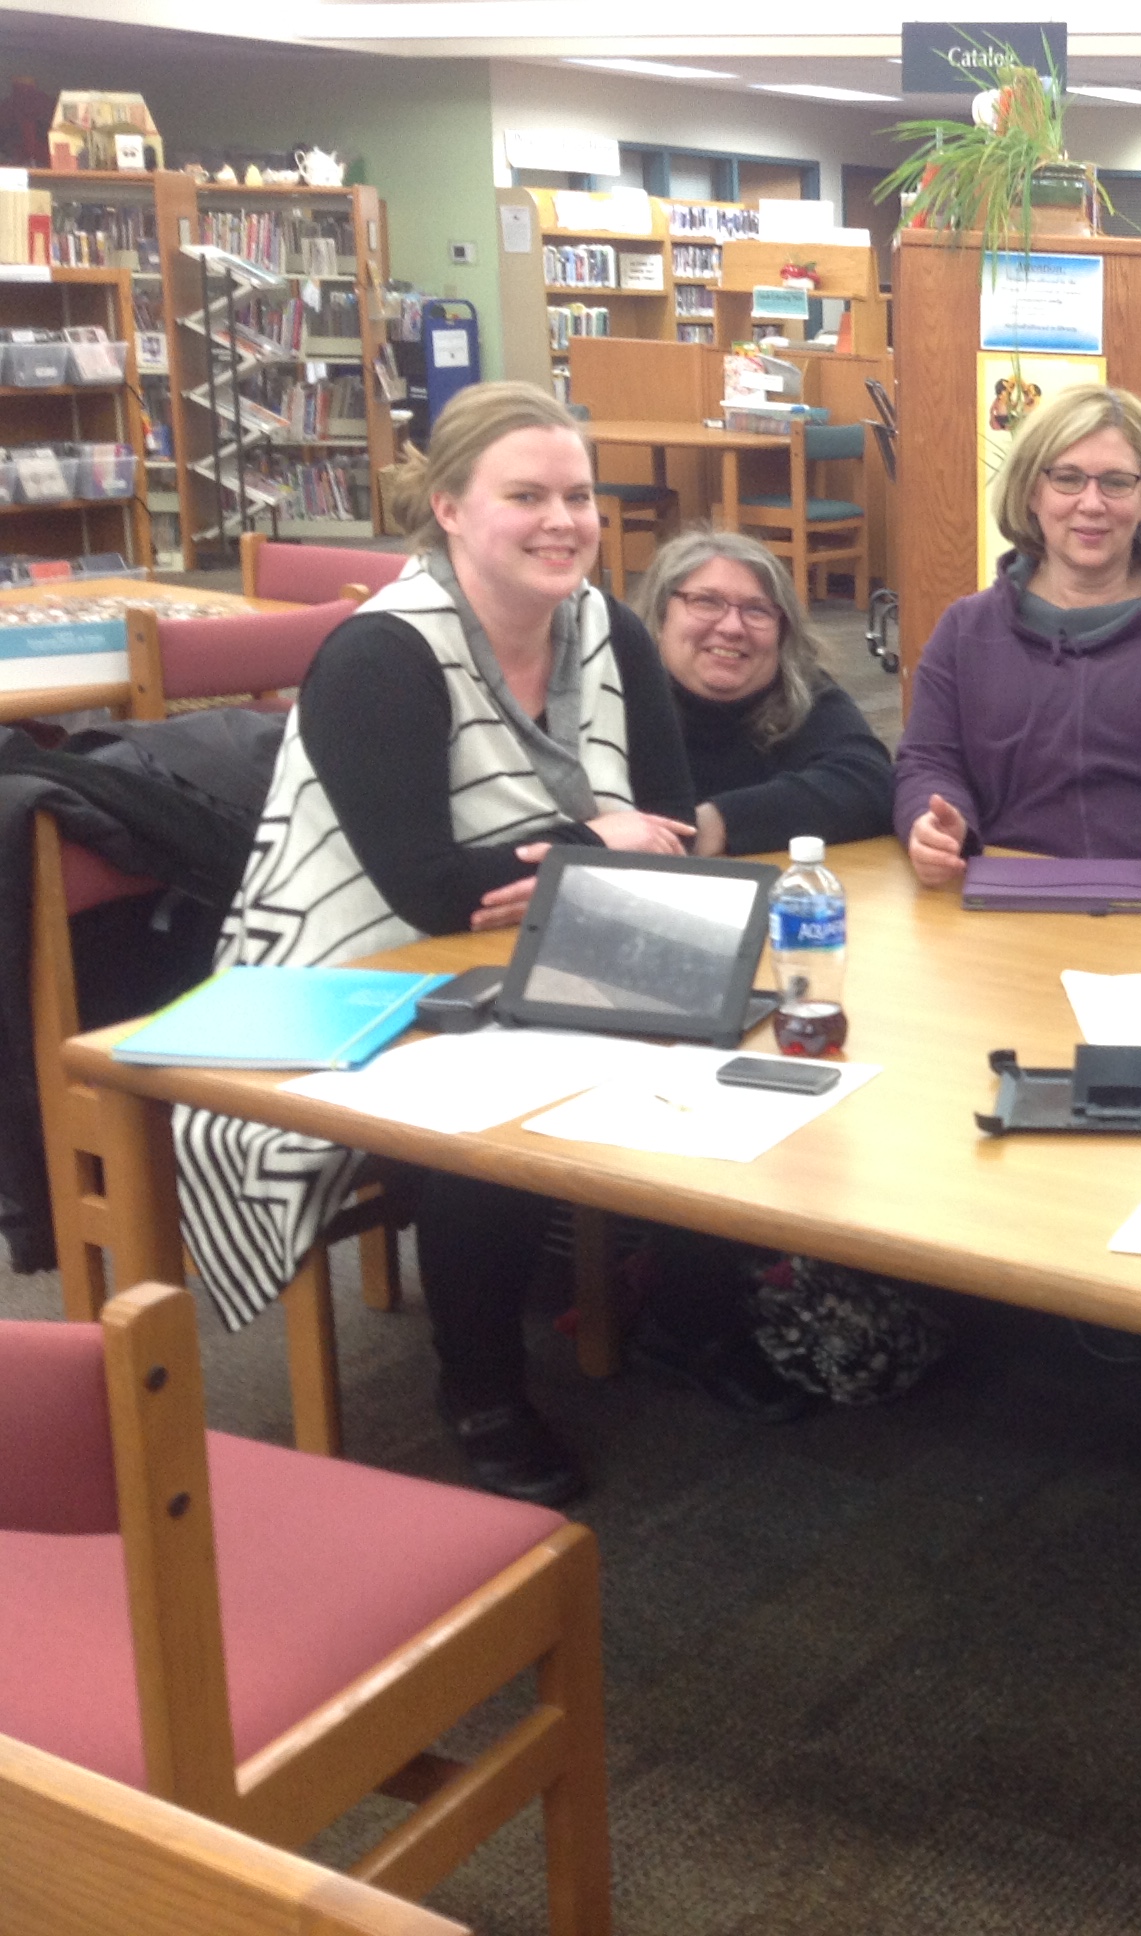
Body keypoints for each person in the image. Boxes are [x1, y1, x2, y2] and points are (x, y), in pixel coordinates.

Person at [176, 381, 706, 1506]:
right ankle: (480, 1388)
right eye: (526, 495)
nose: (564, 520)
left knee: (747, 1029)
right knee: (493, 1115)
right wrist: (591, 839)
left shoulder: (608, 629)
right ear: (451, 508)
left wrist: (583, 856)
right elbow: (426, 895)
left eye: (578, 494)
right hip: (349, 965)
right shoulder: (379, 658)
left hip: (557, 937)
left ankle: (695, 1307)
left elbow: (667, 821)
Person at [892, 384, 1141, 893]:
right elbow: (927, 760)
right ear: (1033, 490)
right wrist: (933, 824)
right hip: (1012, 893)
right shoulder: (966, 630)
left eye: (1117, 482)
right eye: (1068, 478)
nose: (1092, 503)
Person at [636, 526, 894, 856]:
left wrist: (717, 823)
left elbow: (870, 784)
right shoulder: (615, 696)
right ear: (660, 618)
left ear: (782, 632)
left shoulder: (804, 695)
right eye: (706, 602)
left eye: (757, 610)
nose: (731, 627)